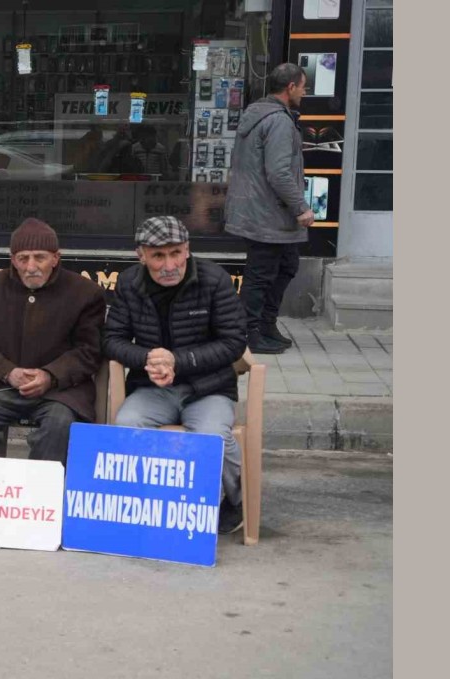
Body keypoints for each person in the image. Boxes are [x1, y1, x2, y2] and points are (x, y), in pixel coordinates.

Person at [104, 216, 247, 534]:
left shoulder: (214, 279)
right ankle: (144, 503)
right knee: (127, 425)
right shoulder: (129, 283)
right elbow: (111, 339)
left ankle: (237, 501)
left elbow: (234, 342)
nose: (169, 264)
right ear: (141, 256)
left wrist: (178, 361)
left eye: (176, 253)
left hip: (208, 387)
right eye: (158, 256)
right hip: (152, 387)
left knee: (212, 436)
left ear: (187, 250)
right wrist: (147, 359)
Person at [0, 217, 106, 463]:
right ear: (13, 260)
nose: (31, 266)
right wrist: (7, 371)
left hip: (60, 390)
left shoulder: (86, 293)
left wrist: (50, 375)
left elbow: (89, 350)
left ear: (56, 257)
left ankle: (40, 498)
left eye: (40, 257)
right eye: (23, 258)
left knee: (61, 426)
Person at [224, 62, 314, 354]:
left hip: (263, 210)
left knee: (287, 265)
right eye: (303, 86)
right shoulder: (278, 121)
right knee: (261, 274)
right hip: (268, 214)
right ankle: (248, 333)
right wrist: (301, 207)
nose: (305, 91)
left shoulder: (259, 114)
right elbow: (278, 173)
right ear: (290, 88)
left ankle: (266, 324)